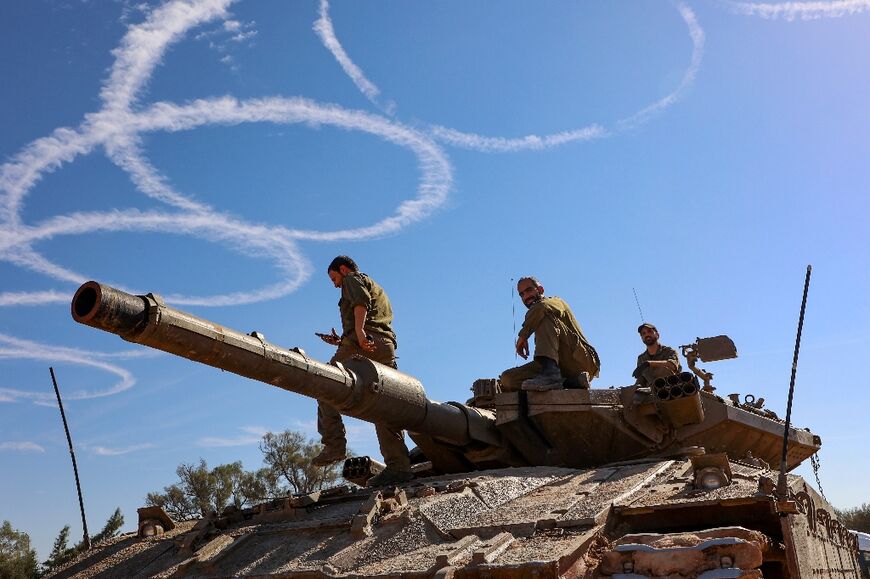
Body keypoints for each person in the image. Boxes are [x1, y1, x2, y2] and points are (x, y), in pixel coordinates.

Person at [312, 255, 412, 486]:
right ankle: (400, 467)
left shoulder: (352, 279)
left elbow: (361, 304)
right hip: (384, 346)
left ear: (344, 269)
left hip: (362, 343)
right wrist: (343, 339)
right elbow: (373, 318)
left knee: (324, 382)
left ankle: (334, 445)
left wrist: (357, 333)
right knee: (386, 407)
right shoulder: (375, 285)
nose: (335, 283)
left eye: (334, 277)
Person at [500, 277, 600, 391]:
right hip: (559, 369)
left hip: (580, 361)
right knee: (508, 379)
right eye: (522, 294)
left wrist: (523, 336)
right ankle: (571, 382)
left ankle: (551, 375)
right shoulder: (535, 316)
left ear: (541, 290)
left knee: (544, 315)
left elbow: (542, 307)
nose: (526, 297)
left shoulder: (556, 302)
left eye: (529, 290)